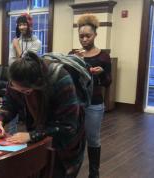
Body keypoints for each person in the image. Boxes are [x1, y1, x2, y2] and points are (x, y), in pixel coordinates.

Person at [0, 51, 85, 178]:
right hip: (41, 136)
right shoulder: (16, 78)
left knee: (60, 173)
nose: (19, 92)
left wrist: (32, 135)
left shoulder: (61, 80)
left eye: (25, 91)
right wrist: (0, 121)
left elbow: (68, 126)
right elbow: (9, 104)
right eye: (15, 88)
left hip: (66, 143)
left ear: (38, 84)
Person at [71, 14, 112, 178]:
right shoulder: (73, 54)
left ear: (95, 34)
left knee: (93, 139)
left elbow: (108, 82)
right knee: (74, 138)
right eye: (81, 36)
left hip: (94, 104)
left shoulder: (103, 56)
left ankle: (94, 173)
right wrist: (74, 62)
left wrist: (101, 74)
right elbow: (69, 80)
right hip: (75, 103)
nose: (84, 39)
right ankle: (71, 170)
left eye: (88, 36)